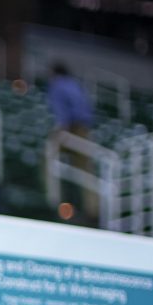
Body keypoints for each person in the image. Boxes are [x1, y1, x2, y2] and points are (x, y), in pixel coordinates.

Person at [46, 62, 97, 222]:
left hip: (70, 129)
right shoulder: (76, 85)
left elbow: (62, 113)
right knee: (86, 170)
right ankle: (93, 210)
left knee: (49, 158)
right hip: (84, 129)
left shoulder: (57, 84)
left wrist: (62, 130)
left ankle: (53, 202)